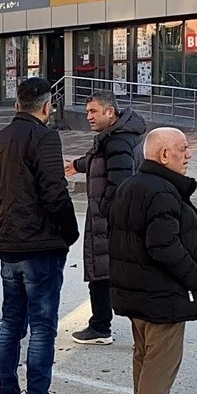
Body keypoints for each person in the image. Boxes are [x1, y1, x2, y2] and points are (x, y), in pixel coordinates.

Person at [108, 128, 197, 394]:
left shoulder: (132, 185)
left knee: (145, 357)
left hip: (137, 291)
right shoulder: (160, 190)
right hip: (160, 293)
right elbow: (164, 245)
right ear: (163, 155)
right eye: (183, 149)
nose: (188, 155)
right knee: (161, 359)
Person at [0, 77, 80, 394]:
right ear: (46, 106)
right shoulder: (45, 137)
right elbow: (55, 193)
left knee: (11, 323)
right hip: (41, 245)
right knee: (41, 326)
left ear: (16, 105)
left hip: (8, 243)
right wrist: (69, 233)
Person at [65, 90, 146, 346]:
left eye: (93, 111)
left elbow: (120, 182)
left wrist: (107, 212)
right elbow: (98, 159)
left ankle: (106, 327)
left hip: (110, 220)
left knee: (108, 274)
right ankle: (102, 325)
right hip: (109, 218)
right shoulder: (113, 136)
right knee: (105, 274)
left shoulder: (118, 141)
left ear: (109, 112)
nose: (88, 116)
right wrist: (77, 165)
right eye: (87, 111)